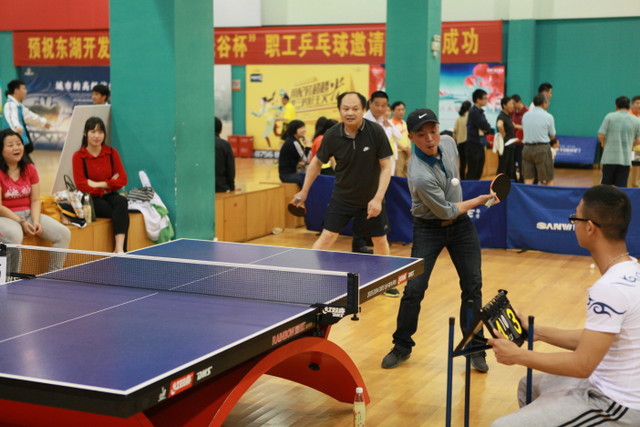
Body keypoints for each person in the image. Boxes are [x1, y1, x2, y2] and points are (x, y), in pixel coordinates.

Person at [490, 185, 640, 427]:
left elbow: (582, 365)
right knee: (529, 385)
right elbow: (598, 339)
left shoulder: (609, 288)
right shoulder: (631, 268)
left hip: (619, 405)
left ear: (589, 227)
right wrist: (538, 331)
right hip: (610, 385)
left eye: (575, 218)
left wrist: (518, 355)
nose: (573, 224)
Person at [380, 109, 496, 372]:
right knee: (414, 289)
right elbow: (446, 211)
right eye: (422, 135)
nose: (430, 138)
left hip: (461, 228)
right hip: (429, 228)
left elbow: (455, 199)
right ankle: (401, 346)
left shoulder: (449, 142)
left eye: (433, 131)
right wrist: (479, 200)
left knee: (472, 286)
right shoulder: (419, 174)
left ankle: (475, 347)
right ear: (411, 137)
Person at [290, 91, 393, 256]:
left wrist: (378, 198)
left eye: (355, 109)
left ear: (363, 110)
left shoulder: (375, 131)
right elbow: (316, 162)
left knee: (379, 239)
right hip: (342, 197)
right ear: (339, 110)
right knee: (327, 236)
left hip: (370, 198)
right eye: (345, 109)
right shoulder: (332, 135)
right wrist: (304, 191)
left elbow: (386, 166)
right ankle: (309, 269)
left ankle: (386, 273)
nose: (350, 113)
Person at [0, 128, 70, 272]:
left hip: (29, 214)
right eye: (10, 145)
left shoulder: (30, 169)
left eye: (18, 143)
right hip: (5, 217)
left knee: (63, 234)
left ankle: (54, 274)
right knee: (14, 236)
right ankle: (11, 277)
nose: (16, 148)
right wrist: (21, 222)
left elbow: (35, 200)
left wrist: (36, 220)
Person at [72, 117, 129, 253]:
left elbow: (123, 180)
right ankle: (121, 250)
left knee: (121, 202)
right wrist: (109, 184)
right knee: (117, 212)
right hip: (91, 199)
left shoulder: (111, 153)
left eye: (100, 132)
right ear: (85, 133)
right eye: (93, 132)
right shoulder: (79, 156)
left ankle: (119, 248)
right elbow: (82, 185)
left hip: (110, 195)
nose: (97, 136)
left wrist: (98, 184)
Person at [2, 79, 52, 159]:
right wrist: (16, 127)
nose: (26, 91)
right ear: (16, 91)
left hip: (20, 142)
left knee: (25, 164)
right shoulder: (10, 105)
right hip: (14, 144)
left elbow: (30, 116)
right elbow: (12, 119)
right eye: (24, 88)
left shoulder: (19, 106)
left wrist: (43, 122)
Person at [598, 96, 640, 187]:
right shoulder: (636, 120)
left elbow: (601, 135)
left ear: (616, 106)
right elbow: (638, 140)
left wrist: (603, 144)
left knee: (605, 186)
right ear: (629, 106)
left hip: (609, 158)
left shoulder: (609, 116)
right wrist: (630, 144)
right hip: (625, 159)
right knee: (621, 187)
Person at [522, 94, 557, 186]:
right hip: (542, 149)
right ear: (544, 103)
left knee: (528, 178)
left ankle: (526, 195)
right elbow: (552, 136)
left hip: (527, 148)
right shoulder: (548, 116)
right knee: (547, 178)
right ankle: (548, 195)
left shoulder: (525, 115)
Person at [364, 91, 402, 175]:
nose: (380, 109)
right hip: (369, 163)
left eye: (383, 106)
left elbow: (399, 136)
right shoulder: (363, 121)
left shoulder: (384, 120)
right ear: (370, 103)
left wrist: (389, 126)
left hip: (386, 160)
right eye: (377, 105)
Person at [466, 89, 492, 180]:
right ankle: (469, 189)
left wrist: (486, 129)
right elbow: (484, 125)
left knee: (479, 171)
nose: (486, 100)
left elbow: (488, 128)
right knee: (473, 171)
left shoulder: (480, 112)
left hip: (480, 145)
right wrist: (486, 128)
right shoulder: (474, 112)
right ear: (478, 99)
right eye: (485, 98)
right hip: (473, 145)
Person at [278, 119, 307, 187]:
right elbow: (305, 159)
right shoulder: (294, 142)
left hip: (290, 174)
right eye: (301, 128)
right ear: (294, 129)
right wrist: (308, 147)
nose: (304, 130)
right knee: (311, 179)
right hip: (288, 175)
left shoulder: (292, 140)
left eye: (304, 127)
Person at [496, 96, 517, 180]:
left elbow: (514, 126)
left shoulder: (508, 116)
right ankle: (498, 185)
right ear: (504, 105)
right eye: (511, 104)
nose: (512, 106)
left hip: (510, 145)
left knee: (510, 168)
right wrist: (504, 136)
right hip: (505, 146)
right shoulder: (502, 115)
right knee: (503, 168)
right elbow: (499, 125)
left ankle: (507, 185)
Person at [214, 117, 235, 193]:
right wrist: (232, 188)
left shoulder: (198, 145)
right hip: (221, 188)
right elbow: (230, 170)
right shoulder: (225, 145)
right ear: (221, 130)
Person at [510, 94, 528, 183]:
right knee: (512, 165)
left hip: (523, 143)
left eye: (514, 103)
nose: (512, 106)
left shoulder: (527, 112)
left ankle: (522, 183)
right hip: (513, 142)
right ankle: (514, 182)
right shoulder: (512, 112)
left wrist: (516, 126)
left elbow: (528, 127)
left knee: (522, 165)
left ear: (519, 102)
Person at [391, 101, 411, 177]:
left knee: (407, 174)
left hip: (407, 152)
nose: (401, 112)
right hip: (398, 152)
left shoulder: (404, 123)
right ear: (393, 111)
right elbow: (392, 139)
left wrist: (408, 148)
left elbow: (408, 137)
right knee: (398, 174)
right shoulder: (390, 123)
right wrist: (403, 148)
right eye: (398, 110)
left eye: (403, 109)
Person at [453, 100, 471, 180]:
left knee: (462, 163)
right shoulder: (471, 118)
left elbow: (454, 132)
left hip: (460, 144)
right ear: (469, 108)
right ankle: (469, 180)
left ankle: (462, 179)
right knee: (470, 163)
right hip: (469, 143)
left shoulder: (458, 119)